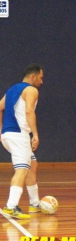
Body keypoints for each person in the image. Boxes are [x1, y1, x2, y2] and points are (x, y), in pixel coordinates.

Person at [0, 64, 43, 219]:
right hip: (19, 135)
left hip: (8, 135)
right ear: (33, 77)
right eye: (40, 77)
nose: (41, 81)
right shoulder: (31, 90)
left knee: (32, 165)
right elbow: (29, 111)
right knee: (22, 170)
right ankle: (11, 206)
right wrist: (35, 134)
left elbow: (0, 107)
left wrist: (1, 131)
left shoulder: (12, 90)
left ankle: (35, 204)